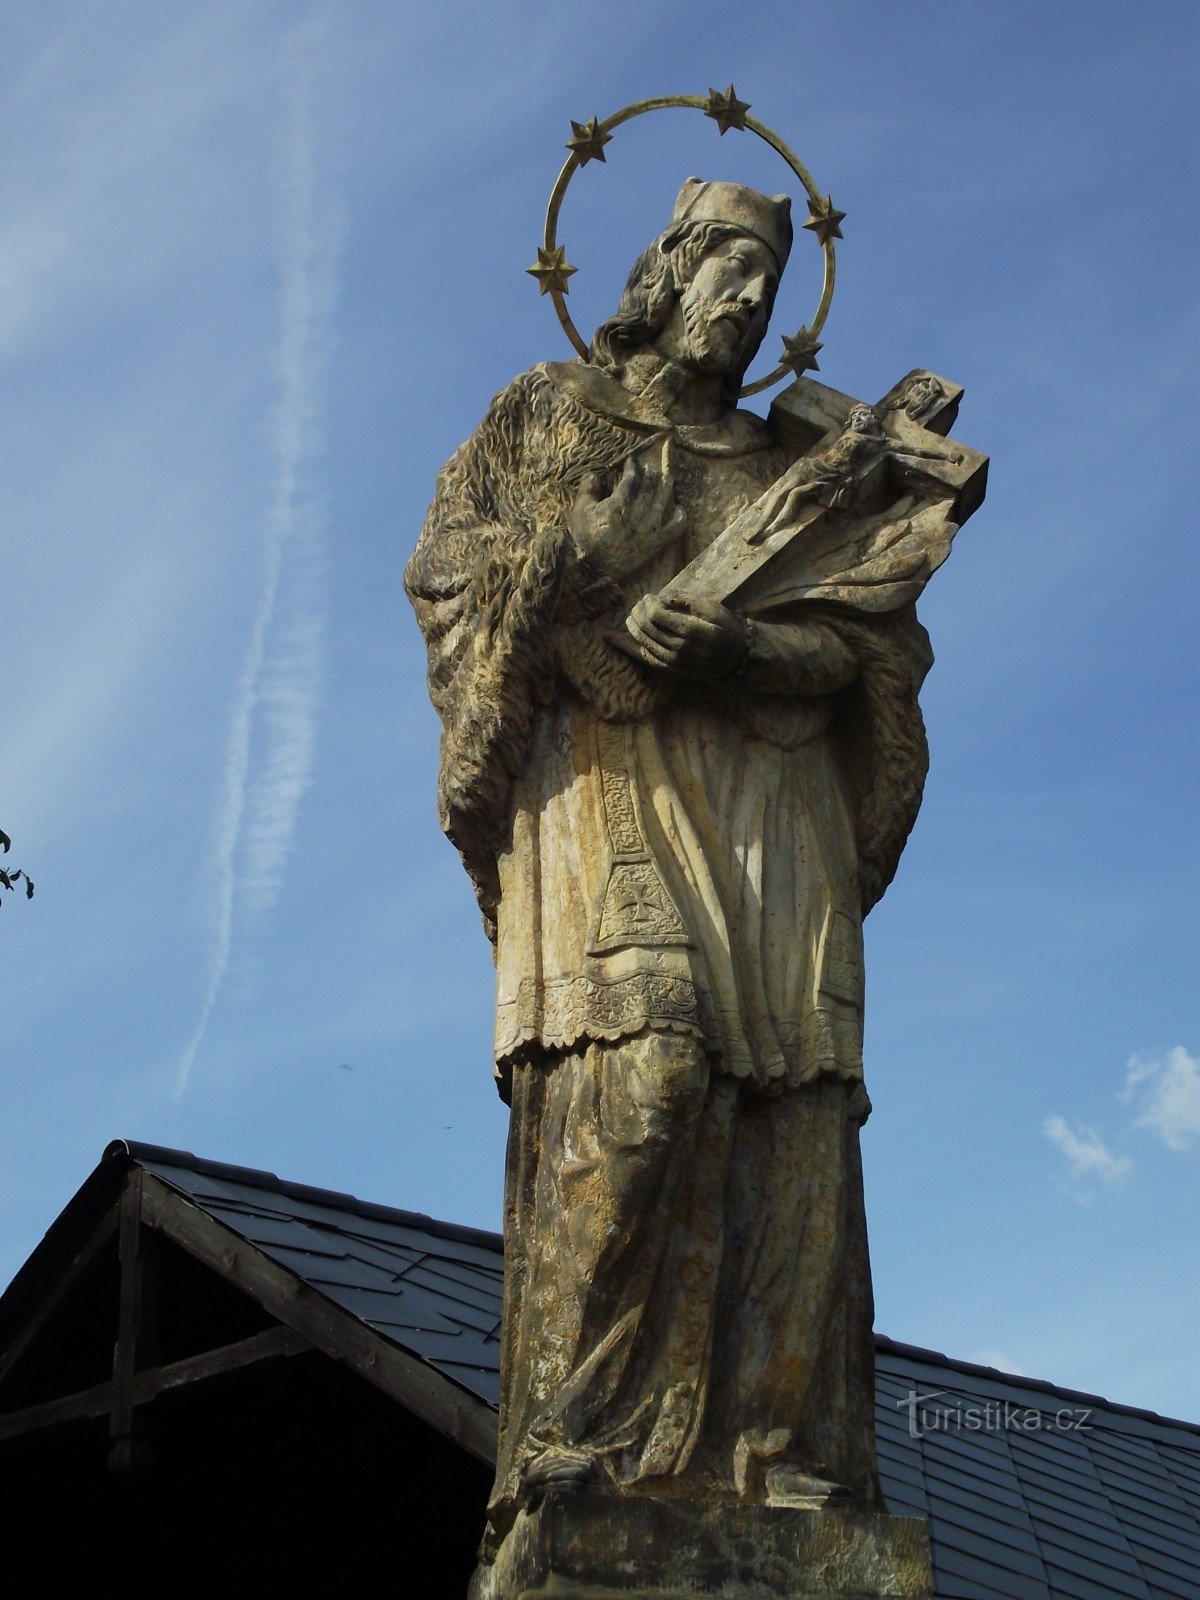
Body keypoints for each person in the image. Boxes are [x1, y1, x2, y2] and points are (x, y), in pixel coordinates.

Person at [405, 178, 934, 1556]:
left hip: (773, 805)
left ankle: (784, 1455)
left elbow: (867, 650)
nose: (749, 299)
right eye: (726, 266)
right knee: (650, 1074)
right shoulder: (550, 414)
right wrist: (575, 552)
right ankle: (574, 1448)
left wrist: (738, 650)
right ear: (665, 270)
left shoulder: (791, 465)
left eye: (768, 279)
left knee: (800, 1124)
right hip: (606, 778)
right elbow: (449, 572)